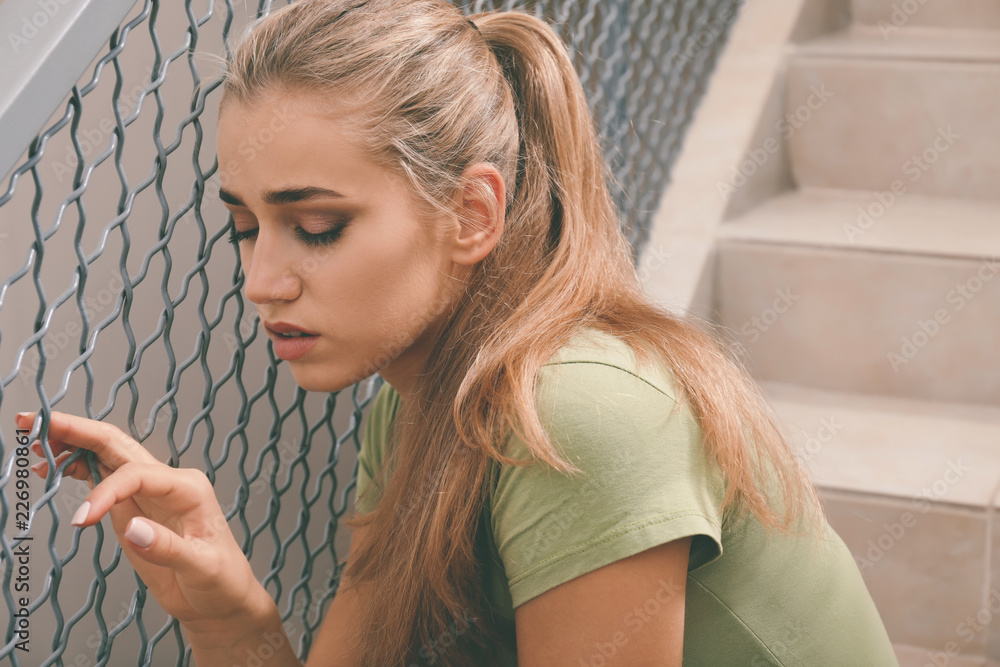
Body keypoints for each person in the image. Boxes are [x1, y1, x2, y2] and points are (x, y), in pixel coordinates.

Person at [17, 0, 899, 664]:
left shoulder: (582, 413)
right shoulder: (408, 411)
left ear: (472, 213)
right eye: (245, 226)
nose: (261, 281)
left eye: (317, 225)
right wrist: (228, 616)